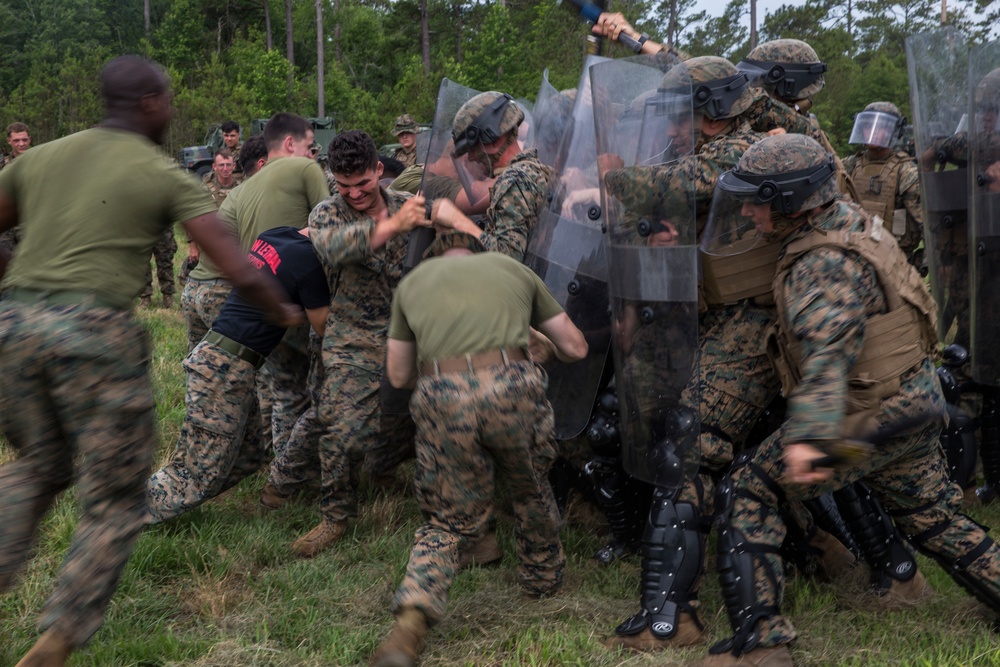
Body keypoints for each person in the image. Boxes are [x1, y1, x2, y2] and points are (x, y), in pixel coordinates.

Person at [0, 55, 297, 667]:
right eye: (165, 99)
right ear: (148, 104)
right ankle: (57, 639)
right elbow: (237, 265)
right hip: (94, 334)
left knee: (38, 467)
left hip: (15, 327)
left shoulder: (38, 158)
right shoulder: (162, 173)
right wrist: (282, 311)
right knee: (114, 496)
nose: (169, 109)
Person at [698, 132, 1000, 666]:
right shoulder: (854, 223)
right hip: (913, 401)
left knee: (748, 490)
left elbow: (826, 352)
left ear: (790, 201)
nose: (746, 209)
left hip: (867, 419)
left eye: (757, 198)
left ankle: (762, 645)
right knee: (934, 518)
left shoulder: (822, 265)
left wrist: (812, 438)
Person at [369, 231, 588, 667]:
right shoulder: (513, 269)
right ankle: (542, 581)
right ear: (477, 252)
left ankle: (409, 626)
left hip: (442, 394)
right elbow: (576, 347)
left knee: (447, 518)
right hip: (511, 384)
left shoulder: (413, 283)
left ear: (437, 256)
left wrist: (444, 378)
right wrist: (530, 349)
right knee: (529, 487)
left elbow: (397, 374)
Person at [277, 130, 431, 558]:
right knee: (341, 433)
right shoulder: (328, 213)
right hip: (352, 338)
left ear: (379, 170)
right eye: (345, 186)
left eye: (363, 183)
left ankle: (432, 504)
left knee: (433, 415)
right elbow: (331, 248)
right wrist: (390, 226)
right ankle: (335, 516)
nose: (356, 194)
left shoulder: (409, 206)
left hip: (411, 331)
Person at [146, 224, 330, 523]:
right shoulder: (309, 261)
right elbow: (323, 327)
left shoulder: (276, 235)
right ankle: (121, 515)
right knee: (196, 473)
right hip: (224, 369)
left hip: (223, 361)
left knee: (248, 455)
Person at [223, 112, 330, 473]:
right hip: (300, 295)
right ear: (290, 144)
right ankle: (294, 470)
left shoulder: (245, 186)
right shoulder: (305, 170)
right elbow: (329, 223)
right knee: (310, 393)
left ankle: (280, 466)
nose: (312, 155)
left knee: (281, 391)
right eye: (310, 147)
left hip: (259, 299)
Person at [430, 91, 555, 262]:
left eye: (473, 148)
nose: (472, 157)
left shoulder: (513, 180)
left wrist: (457, 220)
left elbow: (507, 259)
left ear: (495, 142)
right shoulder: (538, 170)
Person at [181, 136, 268, 351]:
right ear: (214, 166)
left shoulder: (241, 188)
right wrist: (193, 245)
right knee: (230, 348)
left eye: (229, 165)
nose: (226, 169)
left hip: (220, 265)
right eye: (222, 165)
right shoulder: (207, 187)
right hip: (214, 275)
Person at [842, 102, 924, 267]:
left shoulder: (906, 171)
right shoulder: (850, 165)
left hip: (894, 260)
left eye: (880, 127)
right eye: (868, 126)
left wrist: (923, 262)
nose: (872, 132)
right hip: (855, 255)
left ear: (893, 131)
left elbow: (927, 223)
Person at [0, 122, 30, 252]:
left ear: (30, 139)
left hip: (30, 220)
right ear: (9, 141)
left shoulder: (40, 160)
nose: (21, 144)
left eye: (24, 139)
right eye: (16, 140)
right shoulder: (3, 165)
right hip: (7, 227)